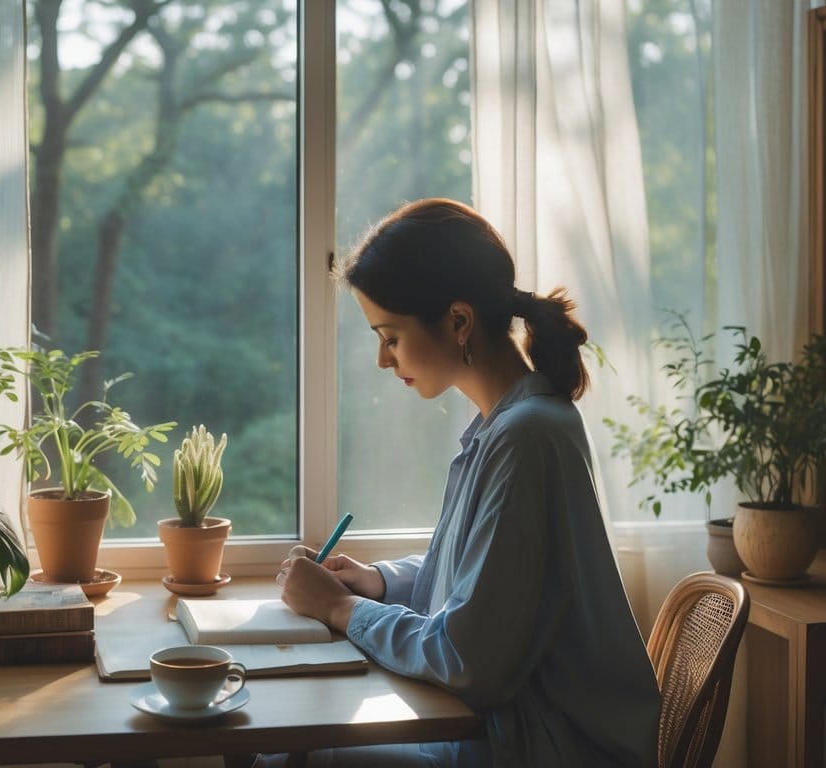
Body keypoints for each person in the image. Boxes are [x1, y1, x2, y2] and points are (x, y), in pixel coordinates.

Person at [268, 198, 660, 767]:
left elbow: (467, 656)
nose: (383, 359)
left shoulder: (525, 438)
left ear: (458, 321)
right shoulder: (508, 424)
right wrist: (377, 583)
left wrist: (339, 609)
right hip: (501, 732)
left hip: (534, 747)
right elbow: (482, 586)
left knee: (290, 759)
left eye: (390, 335)